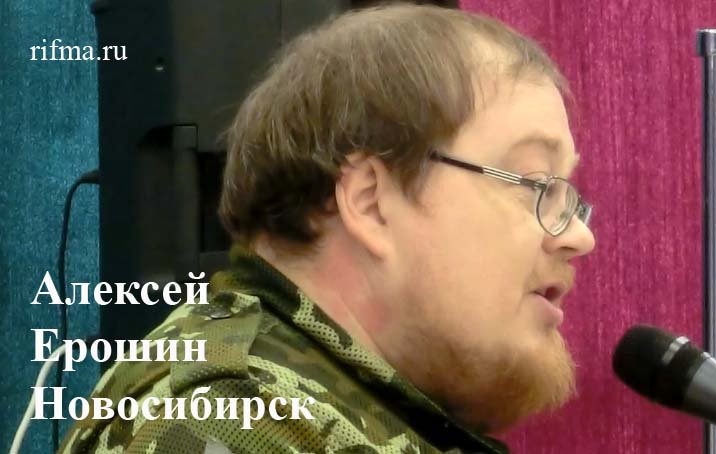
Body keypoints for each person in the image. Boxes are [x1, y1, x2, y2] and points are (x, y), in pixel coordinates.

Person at [59, 3, 595, 453]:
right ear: (370, 202)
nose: (578, 236)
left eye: (567, 195)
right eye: (534, 184)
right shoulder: (230, 420)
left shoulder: (362, 406)